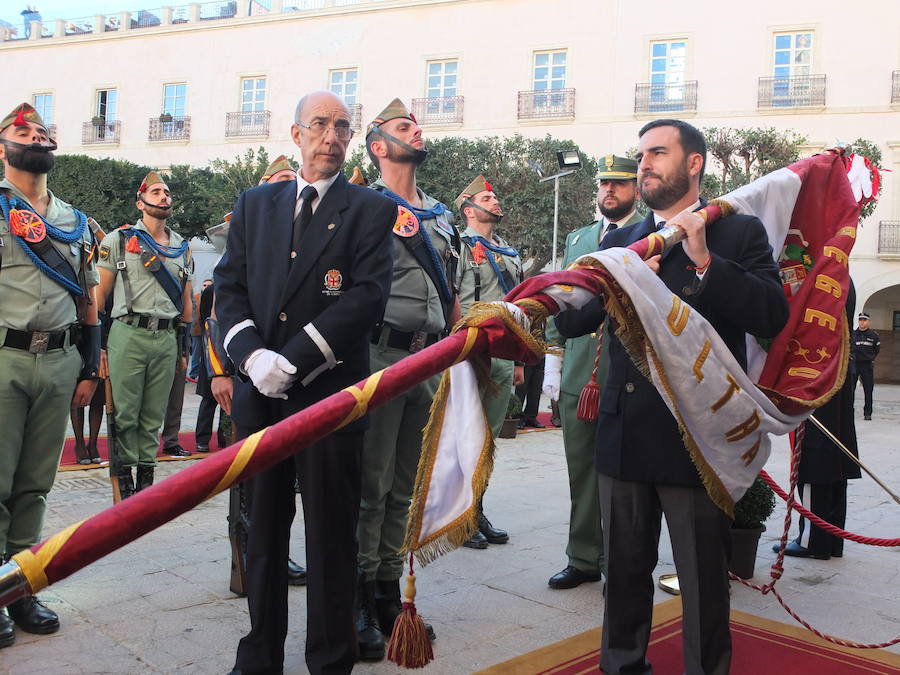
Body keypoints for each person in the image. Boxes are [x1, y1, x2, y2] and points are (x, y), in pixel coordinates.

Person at [556, 119, 788, 675]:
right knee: (625, 579)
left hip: (697, 436)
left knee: (704, 582)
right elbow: (572, 321)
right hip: (626, 431)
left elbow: (771, 316)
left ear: (694, 164)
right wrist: (619, 285)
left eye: (658, 153)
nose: (644, 164)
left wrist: (706, 261)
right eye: (642, 155)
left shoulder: (738, 232)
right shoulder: (619, 241)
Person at [215, 90, 396, 675]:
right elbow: (229, 287)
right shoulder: (255, 204)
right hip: (260, 400)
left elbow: (365, 300)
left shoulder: (369, 209)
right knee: (263, 533)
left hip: (327, 400)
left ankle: (330, 657)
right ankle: (261, 653)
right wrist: (250, 356)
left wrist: (289, 361)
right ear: (295, 135)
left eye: (343, 126)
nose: (332, 136)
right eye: (320, 124)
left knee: (331, 538)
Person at [354, 98, 457, 659]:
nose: (415, 132)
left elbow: (452, 292)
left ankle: (390, 586)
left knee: (404, 485)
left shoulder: (439, 215)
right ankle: (360, 595)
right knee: (370, 484)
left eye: (416, 126)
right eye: (401, 127)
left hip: (429, 359)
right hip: (379, 356)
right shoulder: (364, 205)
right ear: (378, 146)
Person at [0, 102, 101, 645]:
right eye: (23, 130)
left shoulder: (74, 221)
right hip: (3, 359)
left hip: (60, 360)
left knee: (36, 484)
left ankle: (19, 587)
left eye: (42, 131)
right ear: (2, 148)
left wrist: (89, 364)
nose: (36, 136)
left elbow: (87, 299)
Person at [544, 154, 643, 590]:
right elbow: (560, 296)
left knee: (625, 475)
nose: (609, 191)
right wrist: (553, 356)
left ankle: (620, 564)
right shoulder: (579, 237)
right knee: (581, 471)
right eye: (604, 183)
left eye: (619, 184)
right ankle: (583, 556)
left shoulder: (651, 235)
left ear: (635, 190)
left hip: (628, 371)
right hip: (581, 375)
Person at [97, 171, 193, 497]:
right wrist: (98, 348)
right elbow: (99, 299)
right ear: (140, 202)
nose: (164, 196)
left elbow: (187, 303)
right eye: (155, 192)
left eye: (167, 192)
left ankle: (146, 489)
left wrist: (183, 348)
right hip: (128, 333)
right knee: (124, 413)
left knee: (153, 416)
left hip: (166, 337)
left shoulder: (182, 247)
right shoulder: (119, 240)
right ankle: (124, 488)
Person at [455, 174, 523, 549]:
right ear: (469, 210)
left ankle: (476, 508)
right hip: (469, 352)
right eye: (487, 197)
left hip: (501, 352)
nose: (495, 202)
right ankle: (459, 517)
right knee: (466, 437)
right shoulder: (460, 248)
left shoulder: (508, 251)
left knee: (488, 439)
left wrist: (518, 361)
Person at [776, 292, 860, 560]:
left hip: (816, 375)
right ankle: (833, 540)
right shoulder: (841, 278)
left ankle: (814, 541)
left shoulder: (822, 281)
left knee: (816, 458)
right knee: (836, 458)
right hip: (838, 372)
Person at [852, 311, 879, 420]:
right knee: (851, 389)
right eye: (860, 320)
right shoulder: (853, 334)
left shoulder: (873, 335)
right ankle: (850, 411)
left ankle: (867, 413)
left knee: (868, 390)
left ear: (868, 322)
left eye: (864, 320)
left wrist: (869, 358)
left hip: (867, 365)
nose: (862, 322)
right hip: (854, 364)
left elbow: (876, 350)